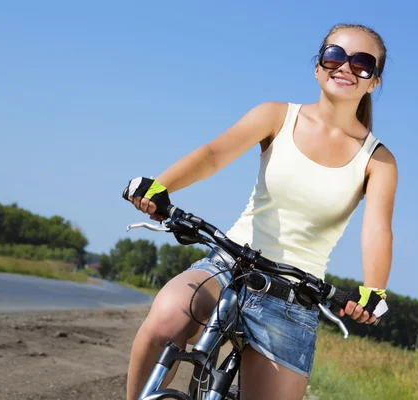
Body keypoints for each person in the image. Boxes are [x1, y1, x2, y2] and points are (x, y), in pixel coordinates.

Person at [123, 23, 398, 400]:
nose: (345, 68)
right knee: (167, 319)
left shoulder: (378, 160)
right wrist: (161, 186)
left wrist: (375, 289)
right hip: (229, 263)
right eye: (335, 55)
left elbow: (377, 229)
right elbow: (214, 154)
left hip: (295, 297)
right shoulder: (276, 115)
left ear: (374, 82)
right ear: (319, 67)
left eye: (362, 63)